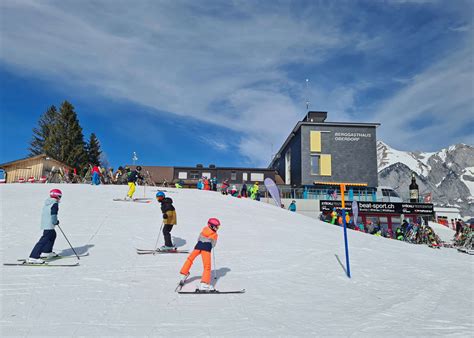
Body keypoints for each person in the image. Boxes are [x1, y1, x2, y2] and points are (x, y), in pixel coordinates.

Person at [179, 218, 221, 292]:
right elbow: (213, 244)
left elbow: (198, 239)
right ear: (211, 226)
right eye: (217, 227)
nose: (217, 228)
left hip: (198, 246)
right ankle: (204, 284)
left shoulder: (204, 230)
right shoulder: (214, 234)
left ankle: (183, 274)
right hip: (206, 249)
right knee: (207, 266)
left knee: (190, 259)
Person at [28, 189, 62, 264]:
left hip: (45, 223)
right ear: (56, 196)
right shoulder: (54, 204)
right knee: (44, 240)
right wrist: (55, 222)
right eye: (59, 196)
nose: (60, 198)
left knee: (53, 235)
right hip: (49, 224)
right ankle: (33, 257)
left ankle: (47, 252)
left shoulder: (48, 202)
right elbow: (53, 214)